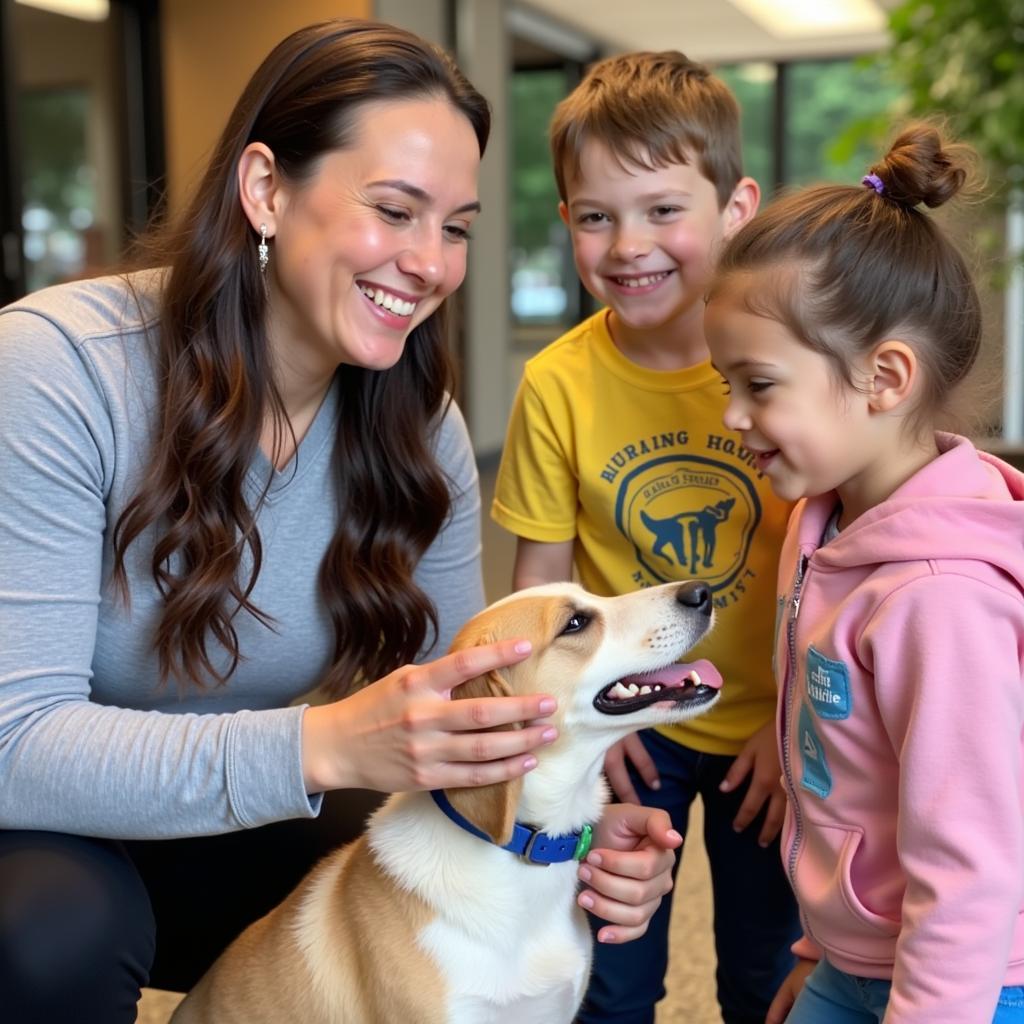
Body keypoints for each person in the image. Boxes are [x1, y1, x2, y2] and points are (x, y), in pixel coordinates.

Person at [0, 20, 683, 1023]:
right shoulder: (57, 368)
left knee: (478, 887)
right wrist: (321, 746)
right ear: (266, 188)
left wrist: (569, 833)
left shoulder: (415, 421)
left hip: (225, 812)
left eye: (454, 226)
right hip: (36, 825)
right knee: (52, 933)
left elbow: (471, 702)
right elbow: (15, 745)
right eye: (395, 210)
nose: (429, 263)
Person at [491, 50, 801, 1024]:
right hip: (629, 720)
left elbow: (831, 560)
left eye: (663, 209)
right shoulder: (555, 382)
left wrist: (798, 727)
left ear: (734, 206)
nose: (628, 244)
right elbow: (538, 591)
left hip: (774, 723)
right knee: (606, 978)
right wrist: (582, 716)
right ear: (567, 223)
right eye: (595, 215)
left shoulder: (784, 364)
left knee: (767, 970)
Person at [706, 122, 1024, 1023]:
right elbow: (843, 776)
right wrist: (823, 952)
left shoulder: (939, 598)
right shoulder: (825, 523)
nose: (732, 415)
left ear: (884, 377)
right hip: (859, 958)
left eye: (758, 384)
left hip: (963, 988)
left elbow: (967, 869)